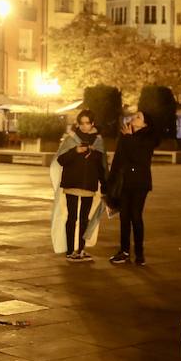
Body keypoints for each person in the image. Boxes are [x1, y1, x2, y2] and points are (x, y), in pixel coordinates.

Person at [107, 111, 158, 265]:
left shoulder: (149, 138)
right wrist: (110, 181)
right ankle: (124, 251)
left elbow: (139, 158)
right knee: (124, 217)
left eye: (138, 117)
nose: (134, 118)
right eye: (134, 116)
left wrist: (129, 138)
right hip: (124, 182)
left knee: (135, 216)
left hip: (139, 183)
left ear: (145, 123)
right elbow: (118, 158)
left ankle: (139, 254)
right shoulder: (125, 134)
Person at [54, 111, 105, 261]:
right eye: (81, 123)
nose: (84, 126)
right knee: (71, 217)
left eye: (87, 123)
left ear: (92, 124)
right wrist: (75, 151)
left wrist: (105, 184)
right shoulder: (70, 139)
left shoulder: (98, 141)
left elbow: (101, 165)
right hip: (72, 183)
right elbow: (61, 160)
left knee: (84, 219)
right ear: (78, 124)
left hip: (89, 184)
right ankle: (70, 251)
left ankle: (81, 249)